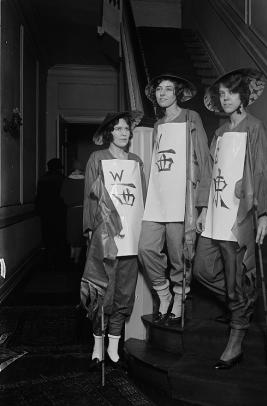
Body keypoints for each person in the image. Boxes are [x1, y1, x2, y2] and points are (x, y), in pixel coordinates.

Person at [193, 68, 267, 369]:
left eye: (230, 94)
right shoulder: (220, 132)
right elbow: (208, 173)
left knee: (234, 278)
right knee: (201, 270)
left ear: (243, 97)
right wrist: (201, 209)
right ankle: (242, 303)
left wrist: (263, 213)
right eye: (221, 95)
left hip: (237, 216)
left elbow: (261, 171)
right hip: (214, 212)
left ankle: (236, 340)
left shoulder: (255, 127)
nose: (224, 99)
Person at [138, 74, 211, 325]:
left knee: (179, 254)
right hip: (158, 198)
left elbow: (203, 158)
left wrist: (201, 204)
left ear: (177, 93)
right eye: (159, 89)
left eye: (168, 89)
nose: (163, 93)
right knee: (146, 248)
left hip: (181, 199)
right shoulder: (158, 124)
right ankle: (163, 293)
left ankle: (180, 298)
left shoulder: (191, 117)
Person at [80, 110, 145, 370]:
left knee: (124, 293)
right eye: (118, 129)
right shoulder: (97, 158)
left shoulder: (136, 160)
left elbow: (142, 199)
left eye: (126, 129)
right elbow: (90, 199)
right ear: (109, 132)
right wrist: (90, 231)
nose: (123, 133)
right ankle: (98, 345)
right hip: (105, 238)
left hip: (131, 239)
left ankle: (114, 346)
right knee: (101, 292)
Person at [35, 158, 66, 271]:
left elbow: (39, 197)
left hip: (46, 213)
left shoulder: (43, 179)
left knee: (48, 237)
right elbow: (64, 197)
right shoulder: (62, 178)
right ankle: (59, 263)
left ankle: (48, 262)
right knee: (59, 237)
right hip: (59, 212)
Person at [60, 160, 85, 267]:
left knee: (71, 232)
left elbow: (62, 196)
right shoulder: (86, 180)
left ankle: (71, 255)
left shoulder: (67, 180)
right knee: (79, 234)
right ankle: (77, 258)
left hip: (71, 210)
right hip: (82, 210)